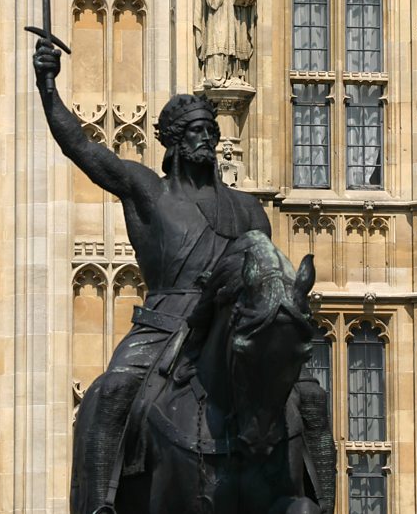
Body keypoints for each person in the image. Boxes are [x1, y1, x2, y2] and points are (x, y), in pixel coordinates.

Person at [33, 41, 272, 513]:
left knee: (305, 392)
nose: (208, 140)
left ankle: (314, 494)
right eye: (197, 132)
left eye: (211, 131)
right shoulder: (149, 191)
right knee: (112, 390)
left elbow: (267, 274)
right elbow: (83, 148)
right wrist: (47, 86)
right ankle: (100, 502)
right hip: (164, 327)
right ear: (176, 142)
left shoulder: (248, 208)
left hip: (230, 327)